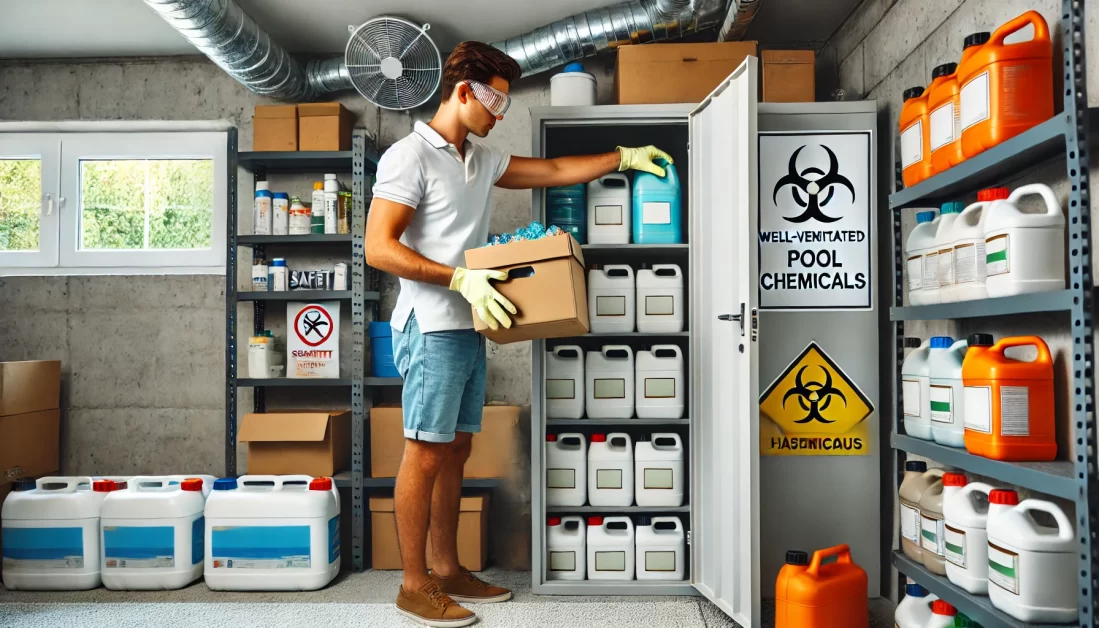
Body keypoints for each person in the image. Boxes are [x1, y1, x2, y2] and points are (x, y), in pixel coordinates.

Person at [366, 41, 672, 627]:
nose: (499, 113)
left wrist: (624, 157)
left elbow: (553, 170)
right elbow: (379, 247)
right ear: (462, 92)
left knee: (454, 451)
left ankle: (448, 569)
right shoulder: (410, 157)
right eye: (493, 101)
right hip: (431, 325)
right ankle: (413, 585)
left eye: (505, 104)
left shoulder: (478, 157)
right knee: (425, 452)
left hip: (473, 322)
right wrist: (461, 277)